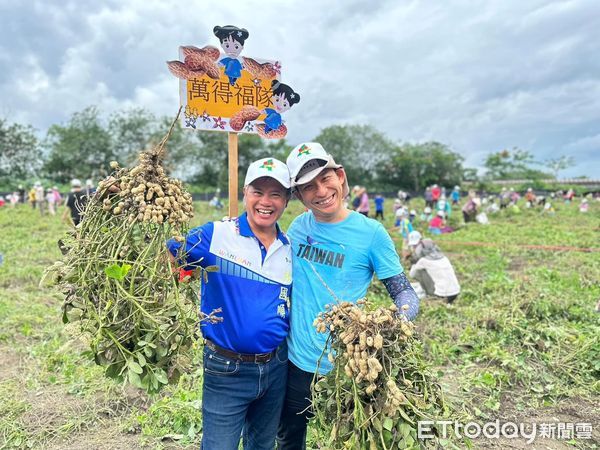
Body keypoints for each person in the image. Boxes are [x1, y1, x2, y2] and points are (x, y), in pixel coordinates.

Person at [277, 142, 419, 449]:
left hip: (350, 365)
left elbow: (404, 292)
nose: (321, 191)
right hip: (295, 362)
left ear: (340, 176)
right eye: (308, 186)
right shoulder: (298, 227)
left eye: (325, 179)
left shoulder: (371, 233)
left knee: (352, 439)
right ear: (299, 196)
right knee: (289, 437)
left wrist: (391, 321)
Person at [168, 157, 292, 450]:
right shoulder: (216, 235)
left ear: (286, 200)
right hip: (226, 369)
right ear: (245, 193)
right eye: (258, 192)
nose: (266, 201)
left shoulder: (289, 246)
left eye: (275, 194)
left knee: (261, 446)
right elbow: (171, 256)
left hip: (276, 367)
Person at [408, 232, 460, 304]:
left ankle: (428, 293)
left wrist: (414, 264)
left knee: (419, 271)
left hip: (442, 295)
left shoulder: (424, 261)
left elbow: (412, 274)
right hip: (455, 293)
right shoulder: (444, 258)